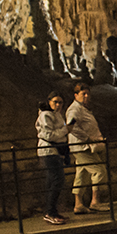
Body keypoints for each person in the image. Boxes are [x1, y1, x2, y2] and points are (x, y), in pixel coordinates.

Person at [66, 83, 107, 213]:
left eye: (88, 94)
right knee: (99, 170)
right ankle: (95, 201)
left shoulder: (82, 109)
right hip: (82, 147)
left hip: (81, 147)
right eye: (83, 94)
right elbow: (71, 126)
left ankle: (78, 204)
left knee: (82, 174)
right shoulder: (75, 110)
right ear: (76, 95)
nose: (86, 96)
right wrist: (87, 139)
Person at [36, 92, 70, 225]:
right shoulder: (46, 115)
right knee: (57, 179)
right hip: (48, 151)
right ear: (49, 101)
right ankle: (50, 212)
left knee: (53, 181)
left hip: (53, 151)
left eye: (60, 102)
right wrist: (66, 130)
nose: (58, 105)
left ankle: (52, 211)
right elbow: (49, 135)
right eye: (55, 102)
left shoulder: (56, 114)